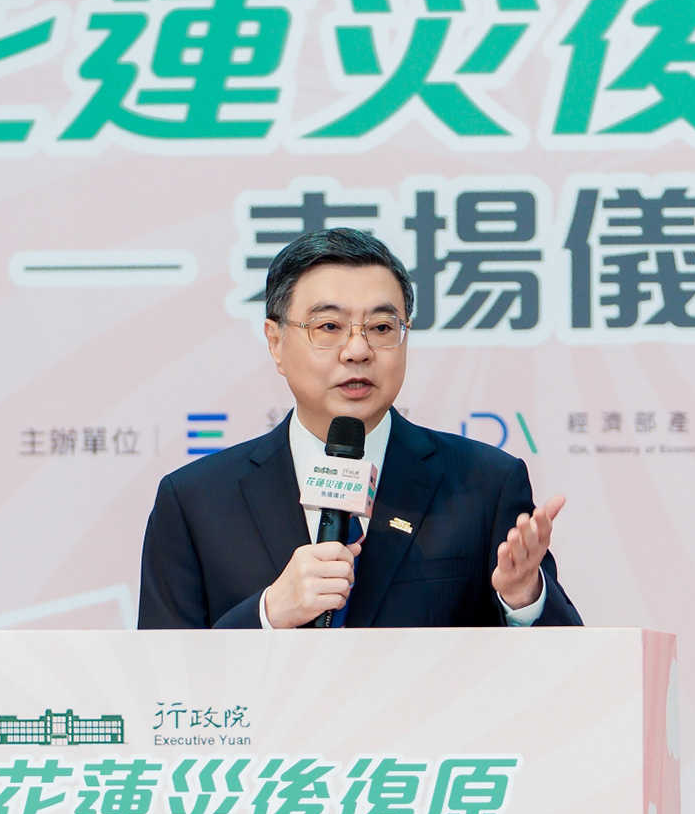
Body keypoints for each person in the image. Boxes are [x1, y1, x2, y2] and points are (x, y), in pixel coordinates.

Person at [138, 228, 580, 629]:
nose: (357, 350)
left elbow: (568, 667)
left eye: (382, 327)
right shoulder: (195, 501)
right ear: (275, 341)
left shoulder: (484, 483)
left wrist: (523, 599)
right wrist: (268, 614)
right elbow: (158, 676)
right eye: (329, 326)